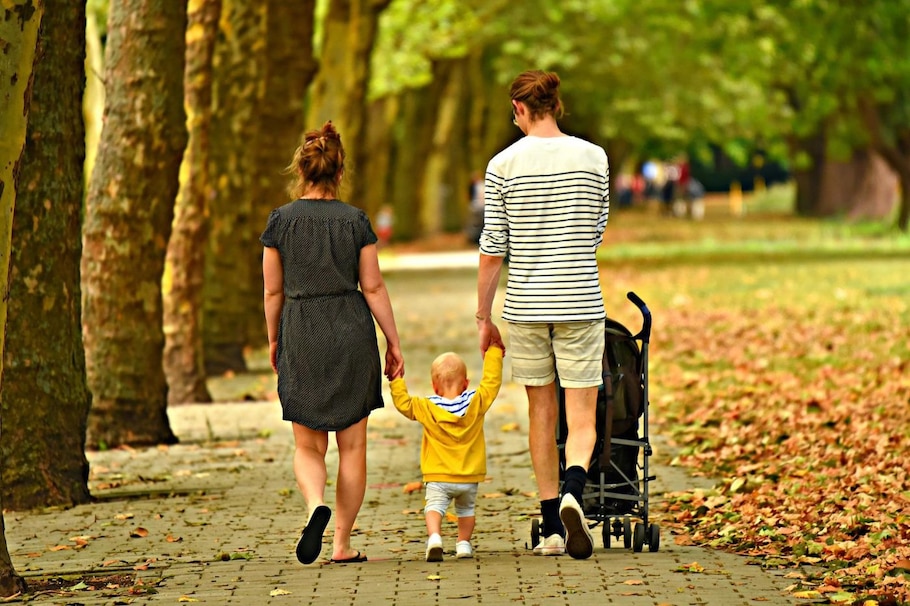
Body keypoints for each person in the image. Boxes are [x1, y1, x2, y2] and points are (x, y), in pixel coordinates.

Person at [475, 70, 610, 560]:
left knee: (540, 411)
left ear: (520, 109)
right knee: (581, 412)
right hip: (579, 300)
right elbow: (597, 229)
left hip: (526, 306)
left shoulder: (502, 165)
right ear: (557, 105)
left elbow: (494, 248)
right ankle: (576, 486)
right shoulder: (594, 157)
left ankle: (552, 524)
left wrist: (482, 314)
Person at [261, 121, 405, 565]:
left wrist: (274, 339)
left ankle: (314, 506)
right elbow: (375, 288)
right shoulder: (355, 220)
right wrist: (393, 342)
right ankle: (341, 544)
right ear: (339, 172)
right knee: (354, 448)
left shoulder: (280, 223)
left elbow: (272, 292)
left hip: (301, 328)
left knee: (308, 446)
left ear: (300, 171)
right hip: (350, 328)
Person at [389, 346, 504, 562]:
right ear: (466, 383)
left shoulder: (426, 407)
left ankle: (434, 538)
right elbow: (492, 383)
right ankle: (464, 544)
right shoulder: (476, 402)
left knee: (434, 507)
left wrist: (396, 379)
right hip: (469, 477)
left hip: (438, 476)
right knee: (466, 510)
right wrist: (494, 353)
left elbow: (403, 404)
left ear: (434, 386)